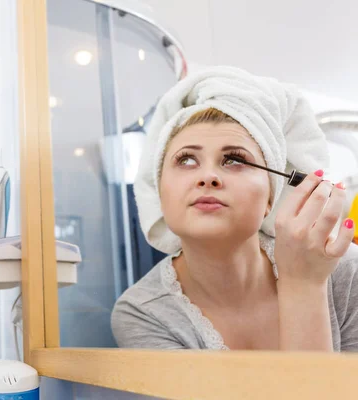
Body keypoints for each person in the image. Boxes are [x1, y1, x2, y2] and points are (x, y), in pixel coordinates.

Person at [112, 66, 358, 352]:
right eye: (187, 160)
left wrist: (304, 284)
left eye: (234, 160)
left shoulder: (345, 272)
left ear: (271, 196)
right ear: (158, 191)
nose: (207, 177)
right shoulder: (143, 312)